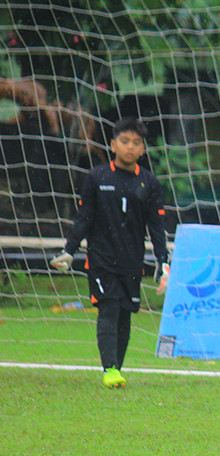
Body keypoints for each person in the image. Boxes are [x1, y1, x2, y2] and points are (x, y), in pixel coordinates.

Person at [50, 116, 169, 389]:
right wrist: (70, 250)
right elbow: (85, 217)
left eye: (136, 143)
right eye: (124, 141)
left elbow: (157, 225)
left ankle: (117, 367)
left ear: (143, 150)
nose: (130, 147)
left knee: (125, 313)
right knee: (109, 308)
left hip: (132, 260)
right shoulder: (96, 177)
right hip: (102, 258)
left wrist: (163, 261)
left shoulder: (149, 183)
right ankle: (110, 368)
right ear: (113, 144)